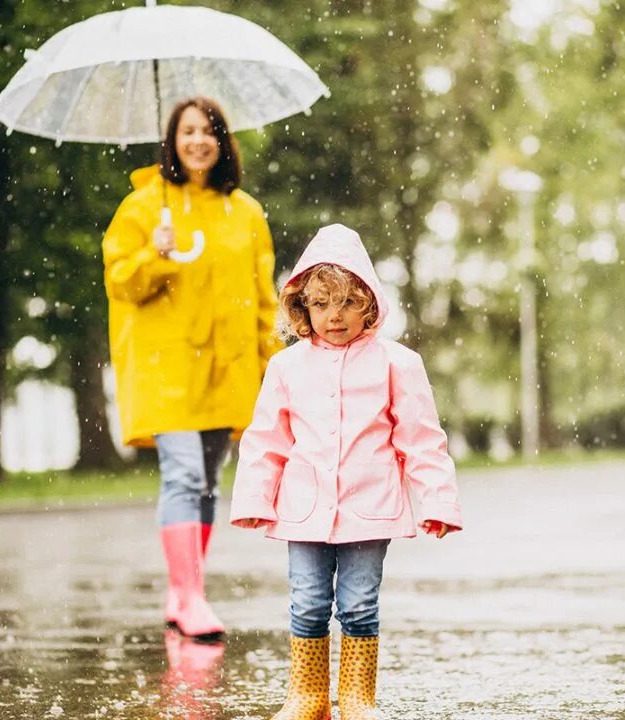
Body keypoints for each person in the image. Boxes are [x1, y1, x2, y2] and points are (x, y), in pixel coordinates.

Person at [229, 224, 463, 720]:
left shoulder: (397, 363)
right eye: (320, 304)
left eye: (346, 302)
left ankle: (358, 699)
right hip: (304, 508)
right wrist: (254, 498)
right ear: (302, 309)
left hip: (369, 506)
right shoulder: (286, 367)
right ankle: (307, 696)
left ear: (369, 304)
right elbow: (267, 438)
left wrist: (437, 501)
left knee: (358, 605)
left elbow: (422, 438)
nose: (334, 315)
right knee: (307, 603)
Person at [102, 97, 281, 639]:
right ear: (172, 140)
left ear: (223, 141)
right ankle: (193, 596)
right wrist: (153, 254)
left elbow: (262, 297)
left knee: (207, 485)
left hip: (228, 369)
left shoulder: (245, 211)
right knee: (183, 475)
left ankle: (182, 589)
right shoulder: (143, 205)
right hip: (167, 367)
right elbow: (120, 282)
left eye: (209, 131)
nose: (199, 140)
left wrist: (270, 364)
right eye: (188, 131)